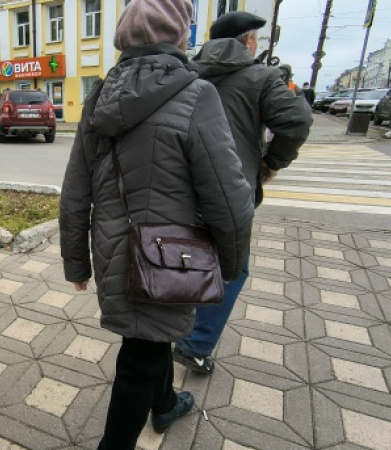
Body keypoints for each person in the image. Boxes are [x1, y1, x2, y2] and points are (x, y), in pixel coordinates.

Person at [60, 1, 254, 448]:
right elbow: (229, 199)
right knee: (139, 358)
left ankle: (164, 403)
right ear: (179, 34)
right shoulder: (196, 94)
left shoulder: (99, 95)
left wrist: (77, 263)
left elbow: (74, 191)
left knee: (149, 338)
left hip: (114, 252)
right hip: (170, 255)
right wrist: (230, 263)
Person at [172, 11, 312, 375]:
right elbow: (296, 121)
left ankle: (171, 330)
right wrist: (271, 162)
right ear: (247, 41)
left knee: (184, 258)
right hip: (232, 194)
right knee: (233, 267)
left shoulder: (186, 73)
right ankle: (196, 345)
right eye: (256, 40)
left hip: (184, 188)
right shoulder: (261, 77)